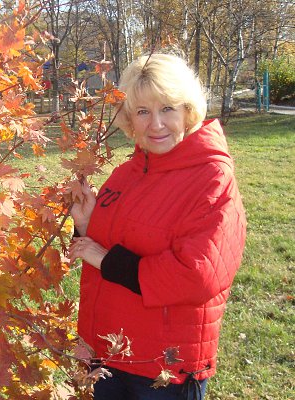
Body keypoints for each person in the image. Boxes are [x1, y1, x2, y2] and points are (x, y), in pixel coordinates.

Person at [69, 52, 247, 399]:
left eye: (167, 109)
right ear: (129, 118)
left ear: (187, 110)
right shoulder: (127, 173)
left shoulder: (212, 178)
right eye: (142, 112)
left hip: (161, 369)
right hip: (107, 353)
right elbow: (105, 253)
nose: (156, 124)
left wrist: (105, 259)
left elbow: (198, 275)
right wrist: (87, 224)